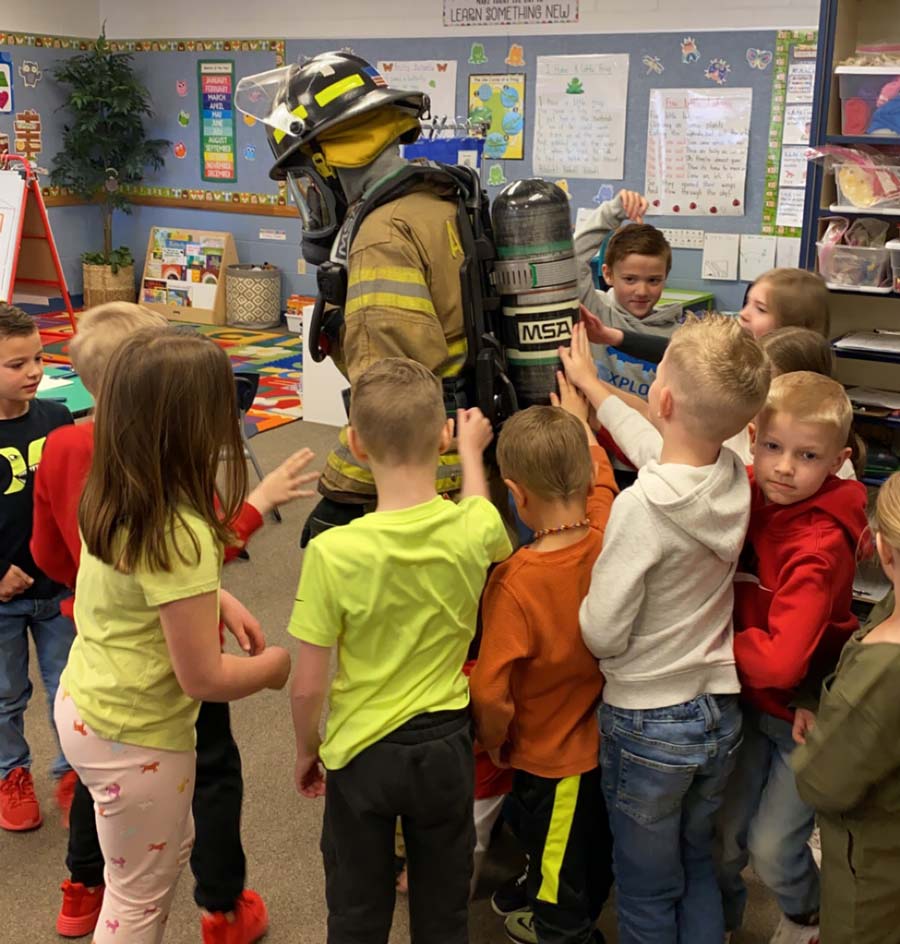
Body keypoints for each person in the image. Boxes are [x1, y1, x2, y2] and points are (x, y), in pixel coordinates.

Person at [31, 303, 318, 942]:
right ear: (190, 422)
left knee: (142, 860)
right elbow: (202, 676)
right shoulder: (181, 525)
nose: (234, 415)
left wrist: (215, 597)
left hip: (89, 704)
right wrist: (273, 670)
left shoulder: (115, 477)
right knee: (137, 902)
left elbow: (141, 578)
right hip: (139, 734)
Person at [562, 317, 771, 944]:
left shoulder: (640, 508)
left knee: (648, 887)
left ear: (666, 399)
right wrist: (593, 388)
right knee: (696, 862)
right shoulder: (732, 473)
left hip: (649, 720)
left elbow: (602, 631)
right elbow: (658, 448)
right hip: (717, 713)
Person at [289, 358, 511, 944]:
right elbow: (482, 508)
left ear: (355, 444)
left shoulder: (332, 553)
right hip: (445, 745)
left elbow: (308, 685)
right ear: (441, 435)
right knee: (444, 910)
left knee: (357, 910)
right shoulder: (472, 529)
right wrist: (468, 454)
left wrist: (305, 750)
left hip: (362, 752)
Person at [246, 51, 478, 543]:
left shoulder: (380, 235)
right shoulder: (438, 198)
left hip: (424, 476)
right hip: (468, 449)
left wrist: (341, 494)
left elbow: (389, 392)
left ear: (331, 161)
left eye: (305, 178)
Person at [716, 372, 868, 944]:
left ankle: (807, 913)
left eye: (807, 456)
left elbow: (781, 664)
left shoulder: (820, 546)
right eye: (773, 448)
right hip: (745, 701)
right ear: (752, 438)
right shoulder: (748, 488)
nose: (784, 467)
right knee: (723, 833)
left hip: (800, 716)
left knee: (773, 847)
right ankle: (721, 922)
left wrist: (707, 648)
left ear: (837, 461)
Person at [470, 378, 618, 944]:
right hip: (604, 748)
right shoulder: (608, 532)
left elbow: (489, 690)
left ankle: (563, 928)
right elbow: (602, 481)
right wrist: (583, 428)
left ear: (515, 494)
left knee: (561, 890)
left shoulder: (514, 582)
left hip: (550, 763)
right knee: (585, 853)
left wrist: (494, 741)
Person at [792, 471, 900, 944]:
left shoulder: (882, 671)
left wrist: (827, 733)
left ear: (884, 550)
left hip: (874, 864)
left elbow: (822, 783)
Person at [0, 302, 75, 833]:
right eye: (16, 364)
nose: (33, 372)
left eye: (39, 358)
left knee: (70, 686)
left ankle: (74, 770)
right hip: (2, 598)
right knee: (5, 694)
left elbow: (76, 497)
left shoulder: (57, 418)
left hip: (58, 588)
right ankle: (11, 774)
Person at [574, 190, 679, 400]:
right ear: (608, 274)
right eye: (630, 279)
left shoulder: (676, 334)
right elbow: (572, 260)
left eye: (653, 280)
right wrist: (614, 211)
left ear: (665, 277)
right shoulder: (596, 310)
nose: (641, 291)